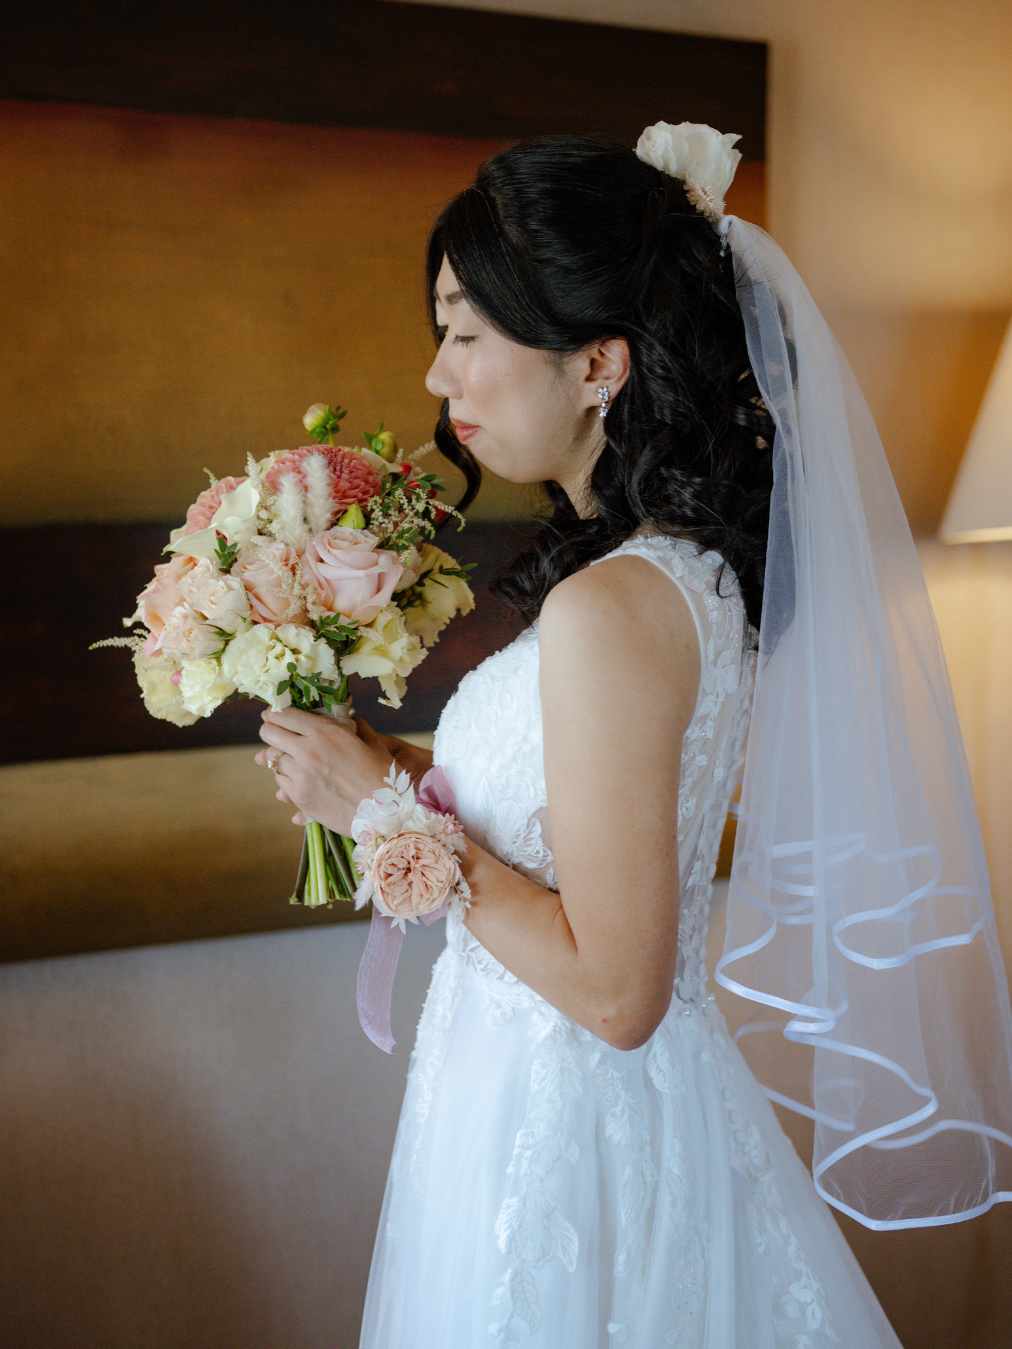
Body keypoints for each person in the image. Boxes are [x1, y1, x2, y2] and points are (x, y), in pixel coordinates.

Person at [255, 125, 1012, 1347]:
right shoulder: (664, 575)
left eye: (465, 334)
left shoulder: (608, 607)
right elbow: (569, 814)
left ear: (598, 362)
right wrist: (380, 771)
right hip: (548, 1107)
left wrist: (385, 820)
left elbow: (617, 990)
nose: (439, 379)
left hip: (568, 1136)